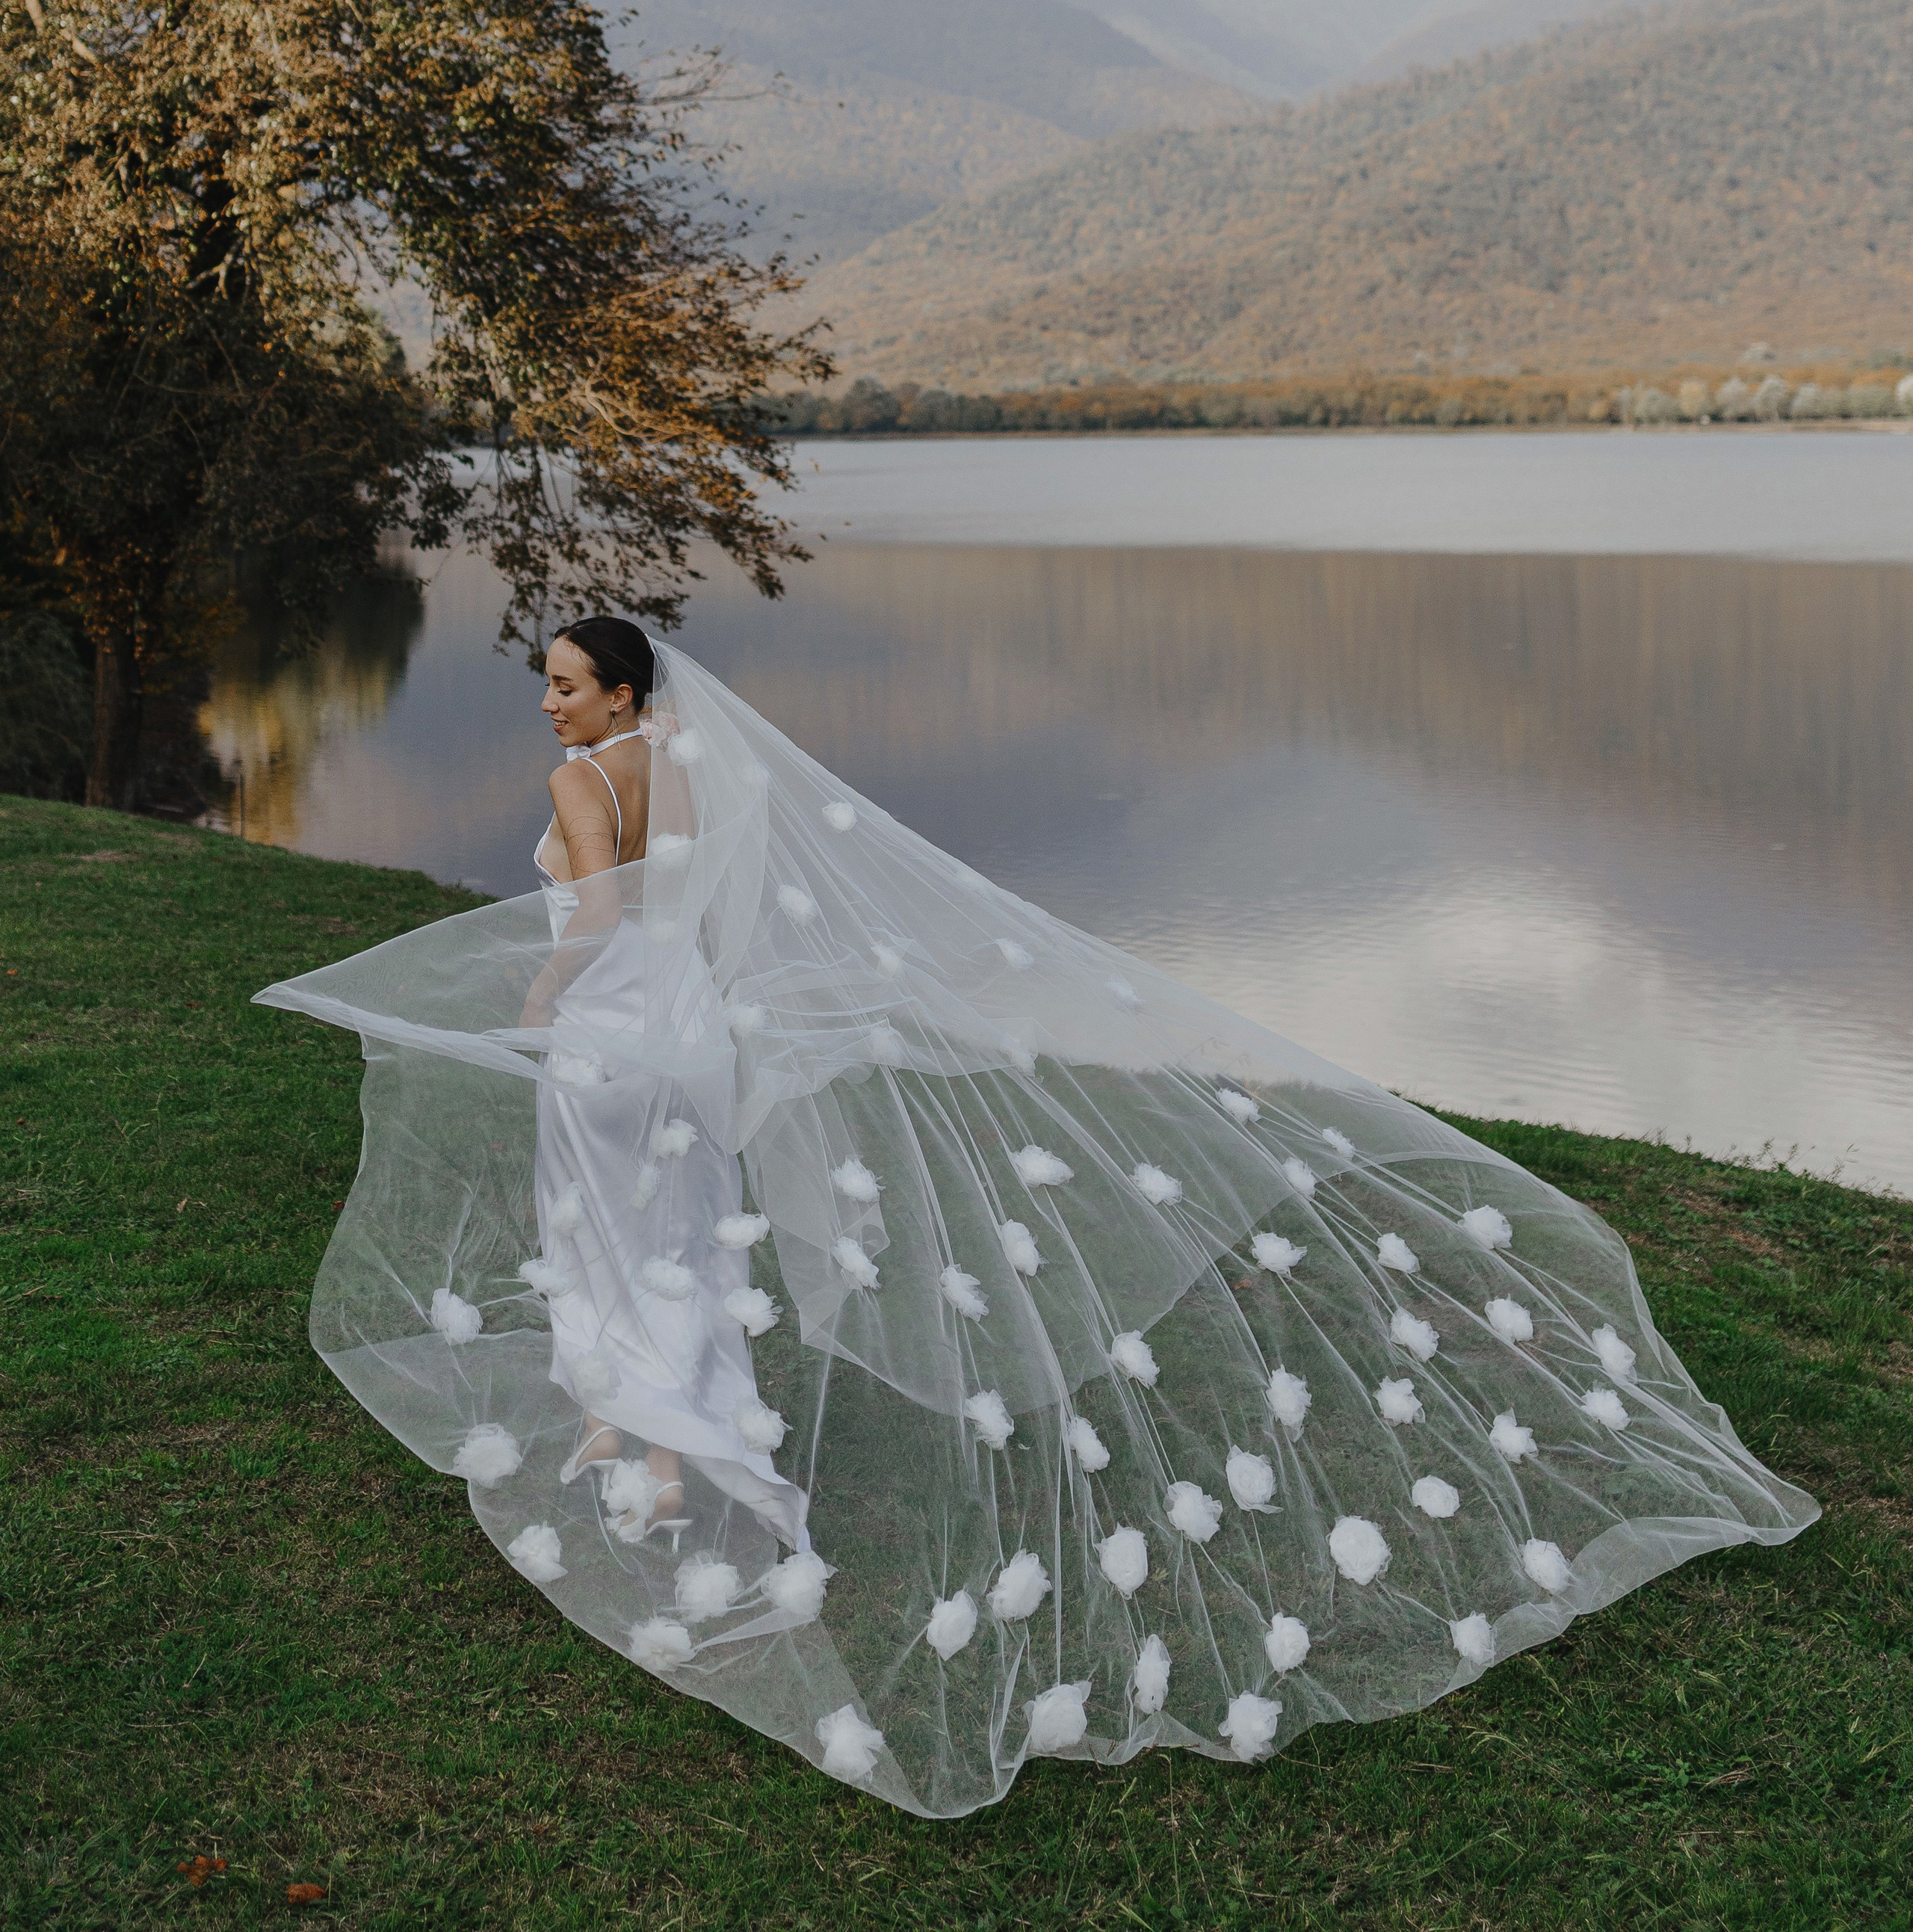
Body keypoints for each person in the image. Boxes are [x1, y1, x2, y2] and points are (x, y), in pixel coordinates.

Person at [258, 621, 1816, 1819]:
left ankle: (646, 1436)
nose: (546, 703)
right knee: (676, 1229)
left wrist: (538, 985)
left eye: (564, 682)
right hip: (693, 1032)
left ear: (616, 692)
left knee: (604, 1227)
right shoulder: (689, 765)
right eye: (545, 685)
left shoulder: (580, 783)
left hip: (612, 1025)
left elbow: (597, 913)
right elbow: (706, 907)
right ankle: (664, 1440)